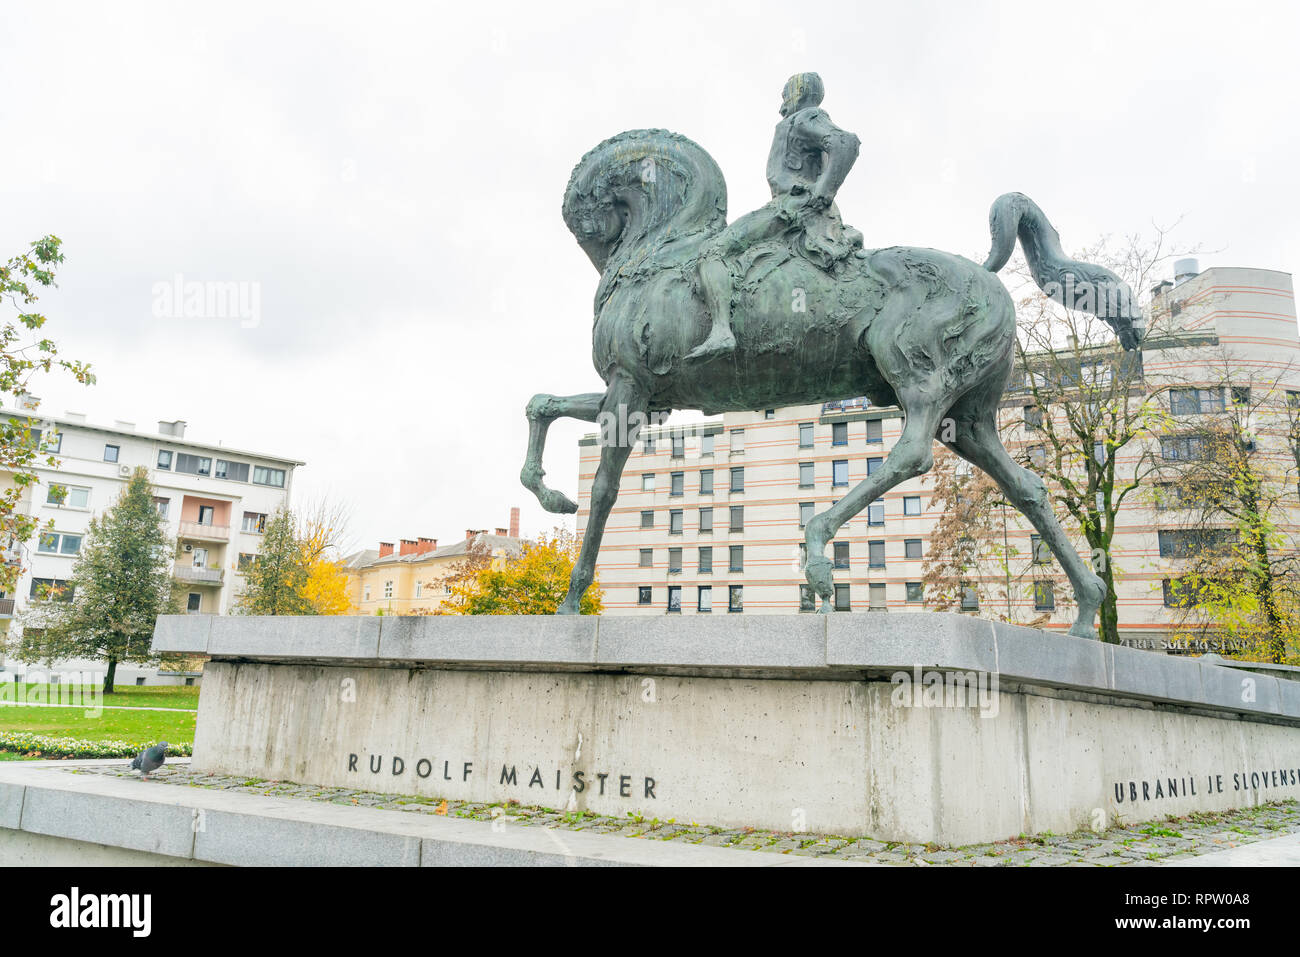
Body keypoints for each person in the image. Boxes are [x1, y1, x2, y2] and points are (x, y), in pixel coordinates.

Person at [686, 72, 864, 362]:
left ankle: (721, 329)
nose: (782, 106)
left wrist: (823, 191)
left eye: (785, 97)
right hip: (796, 207)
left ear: (800, 92)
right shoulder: (799, 121)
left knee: (713, 252)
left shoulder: (805, 118)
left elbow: (846, 143)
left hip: (790, 209)